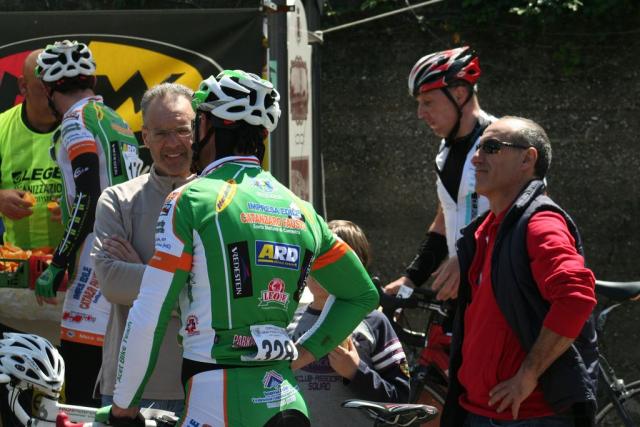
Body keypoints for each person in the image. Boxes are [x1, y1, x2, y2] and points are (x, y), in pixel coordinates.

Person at [108, 70, 378, 427]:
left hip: (217, 400)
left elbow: (149, 315)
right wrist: (303, 353)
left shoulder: (191, 199)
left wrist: (123, 407)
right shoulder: (302, 210)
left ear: (206, 126)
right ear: (262, 135)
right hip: (287, 400)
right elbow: (362, 295)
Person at [442, 117, 598, 426]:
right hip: (480, 412)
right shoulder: (487, 229)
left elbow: (576, 297)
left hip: (526, 417)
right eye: (476, 148)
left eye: (490, 147)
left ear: (527, 159)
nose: (476, 158)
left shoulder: (540, 223)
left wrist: (528, 373)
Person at [33, 40, 142, 406]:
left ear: (49, 90)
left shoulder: (75, 121)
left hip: (96, 253)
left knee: (81, 379)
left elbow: (88, 195)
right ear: (91, 80)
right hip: (128, 250)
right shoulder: (116, 120)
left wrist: (59, 261)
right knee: (113, 373)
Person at [91, 83, 196, 413]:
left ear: (199, 131)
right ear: (145, 137)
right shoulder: (117, 200)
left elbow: (227, 295)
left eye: (182, 130)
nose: (173, 143)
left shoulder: (222, 200)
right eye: (161, 133)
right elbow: (111, 283)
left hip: (203, 384)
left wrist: (141, 270)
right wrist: (190, 289)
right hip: (129, 391)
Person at [384, 46, 494, 300]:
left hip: (500, 293)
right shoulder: (446, 150)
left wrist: (468, 256)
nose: (420, 114)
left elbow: (525, 216)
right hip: (465, 293)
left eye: (428, 102)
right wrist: (411, 278)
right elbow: (444, 221)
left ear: (459, 94)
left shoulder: (502, 142)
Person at [288, 219, 410, 426]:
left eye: (333, 263)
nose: (320, 270)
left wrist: (355, 371)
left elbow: (400, 397)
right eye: (314, 259)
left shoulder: (374, 322)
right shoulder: (289, 321)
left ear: (356, 270)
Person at [0, 47, 64, 427]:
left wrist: (80, 209)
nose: (54, 96)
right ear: (23, 87)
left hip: (74, 276)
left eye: (60, 86)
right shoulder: (2, 128)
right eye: (45, 87)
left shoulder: (80, 128)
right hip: (16, 279)